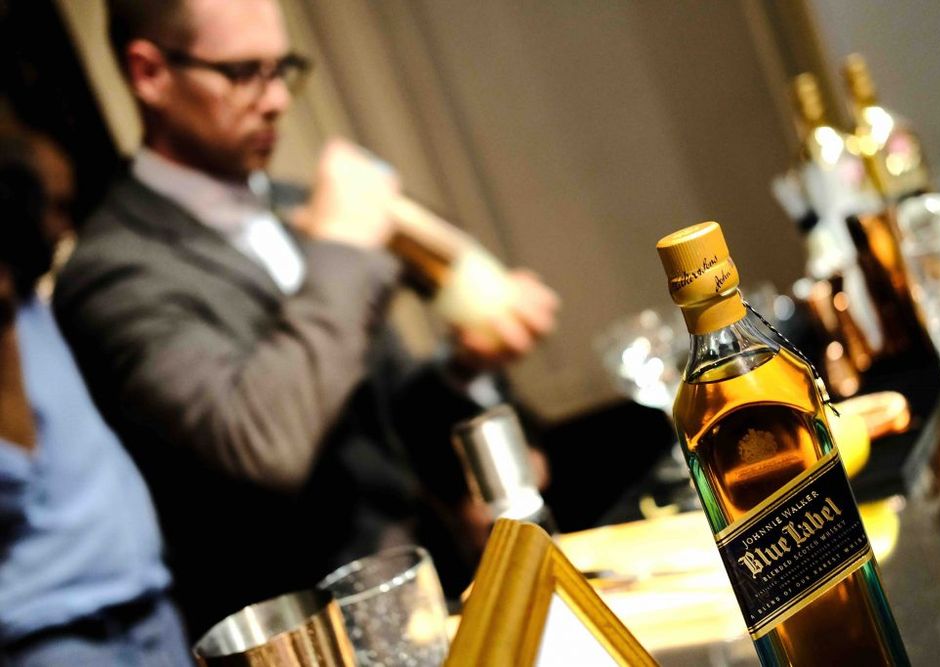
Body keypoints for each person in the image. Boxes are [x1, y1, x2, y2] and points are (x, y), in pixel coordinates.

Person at [54, 0, 559, 636]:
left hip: (432, 594)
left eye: (281, 70)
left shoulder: (296, 208)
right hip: (307, 635)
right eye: (243, 73)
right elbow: (262, 445)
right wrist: (342, 246)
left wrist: (463, 368)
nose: (275, 101)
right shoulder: (111, 272)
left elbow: (381, 411)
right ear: (149, 73)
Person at [0, 139, 192, 666]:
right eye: (53, 208)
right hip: (56, 633)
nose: (63, 229)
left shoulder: (35, 307)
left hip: (148, 605)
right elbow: (11, 483)